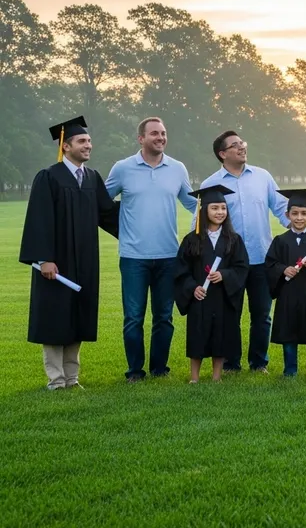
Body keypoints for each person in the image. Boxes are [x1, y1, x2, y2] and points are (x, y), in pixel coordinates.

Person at [19, 117, 119, 390]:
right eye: (82, 141)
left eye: (89, 141)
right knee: (54, 316)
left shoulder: (92, 177)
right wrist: (44, 259)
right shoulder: (49, 177)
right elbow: (38, 220)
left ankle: (72, 378)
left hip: (85, 260)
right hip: (56, 263)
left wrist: (140, 210)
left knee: (78, 314)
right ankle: (55, 379)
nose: (88, 145)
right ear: (65, 146)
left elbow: (108, 215)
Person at [105, 117, 196, 383]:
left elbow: (192, 205)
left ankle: (159, 368)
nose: (161, 137)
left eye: (164, 133)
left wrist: (219, 212)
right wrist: (120, 231)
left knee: (164, 317)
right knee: (133, 317)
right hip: (133, 257)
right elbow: (100, 201)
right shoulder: (123, 168)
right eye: (154, 133)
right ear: (141, 138)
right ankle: (135, 371)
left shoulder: (177, 168)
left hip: (169, 256)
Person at [199, 130, 289, 374]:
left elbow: (281, 207)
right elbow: (201, 224)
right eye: (235, 145)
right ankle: (231, 363)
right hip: (229, 264)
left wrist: (298, 227)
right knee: (231, 314)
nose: (242, 147)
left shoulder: (263, 177)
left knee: (262, 315)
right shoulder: (210, 184)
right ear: (222, 153)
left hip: (262, 258)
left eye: (243, 143)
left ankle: (259, 363)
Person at [173, 185, 249, 383]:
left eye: (223, 208)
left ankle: (217, 376)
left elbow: (241, 267)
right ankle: (194, 377)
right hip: (201, 297)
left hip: (223, 296)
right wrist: (192, 289)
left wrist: (224, 275)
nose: (220, 212)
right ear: (204, 210)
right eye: (214, 208)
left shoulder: (234, 239)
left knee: (221, 335)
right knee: (198, 334)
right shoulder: (192, 240)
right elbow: (181, 270)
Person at [266, 189, 306, 376]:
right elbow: (270, 264)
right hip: (288, 294)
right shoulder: (280, 241)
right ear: (287, 215)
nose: (299, 218)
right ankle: (290, 371)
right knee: (289, 337)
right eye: (294, 213)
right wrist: (282, 269)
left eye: (304, 213)